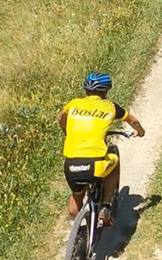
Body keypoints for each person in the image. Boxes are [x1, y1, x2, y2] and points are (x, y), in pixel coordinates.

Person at [57, 72, 145, 227]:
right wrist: (141, 132)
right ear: (106, 91)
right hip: (96, 164)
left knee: (77, 195)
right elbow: (133, 121)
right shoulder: (110, 107)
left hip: (71, 163)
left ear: (86, 90)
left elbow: (60, 118)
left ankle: (77, 230)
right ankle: (105, 206)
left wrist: (66, 131)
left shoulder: (73, 104)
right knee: (114, 160)